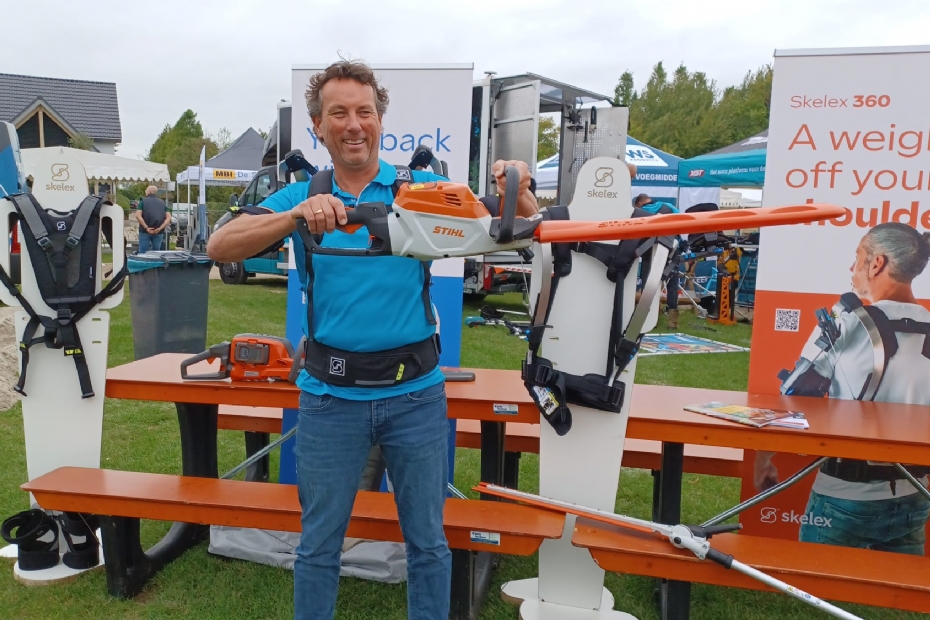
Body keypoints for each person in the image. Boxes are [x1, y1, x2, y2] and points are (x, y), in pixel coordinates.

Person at [206, 59, 538, 620]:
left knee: (428, 544)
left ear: (380, 120)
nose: (353, 124)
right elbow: (221, 246)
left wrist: (519, 189)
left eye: (364, 112)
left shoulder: (420, 189)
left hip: (416, 398)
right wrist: (295, 218)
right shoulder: (301, 195)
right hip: (329, 401)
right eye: (338, 113)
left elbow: (520, 230)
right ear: (318, 125)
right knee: (318, 546)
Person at [755, 222, 930, 555]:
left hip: (845, 495)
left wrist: (763, 458)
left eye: (858, 257)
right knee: (894, 586)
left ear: (877, 263)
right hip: (915, 494)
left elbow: (794, 399)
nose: (853, 267)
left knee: (814, 584)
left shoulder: (845, 324)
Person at [632, 193, 682, 328]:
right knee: (672, 284)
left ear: (639, 203)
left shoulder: (638, 212)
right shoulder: (669, 207)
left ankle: (646, 319)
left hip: (648, 249)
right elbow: (681, 222)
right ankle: (673, 321)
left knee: (648, 283)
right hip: (670, 248)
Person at [135, 186, 170, 252]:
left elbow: (138, 216)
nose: (145, 191)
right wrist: (160, 228)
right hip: (158, 232)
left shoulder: (143, 201)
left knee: (143, 253)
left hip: (145, 231)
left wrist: (146, 228)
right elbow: (168, 218)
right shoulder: (162, 203)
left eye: (146, 190)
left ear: (149, 192)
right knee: (156, 253)